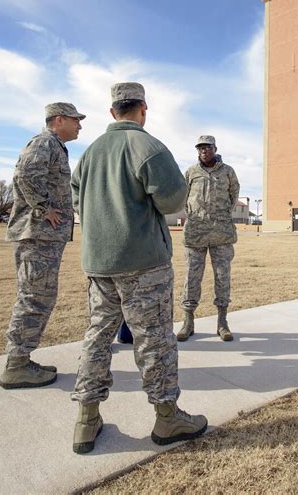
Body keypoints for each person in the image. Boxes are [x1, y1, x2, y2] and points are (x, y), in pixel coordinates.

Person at [70, 82, 207, 454]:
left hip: (99, 264)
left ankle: (86, 419)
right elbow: (172, 200)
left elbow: (76, 199)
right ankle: (167, 417)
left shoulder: (90, 152)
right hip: (144, 263)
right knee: (155, 340)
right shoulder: (147, 146)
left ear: (113, 111)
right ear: (143, 109)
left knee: (97, 337)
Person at [0, 102, 86, 389]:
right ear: (59, 119)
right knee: (34, 298)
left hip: (44, 236)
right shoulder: (43, 142)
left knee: (39, 296)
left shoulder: (55, 145)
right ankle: (17, 365)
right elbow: (25, 174)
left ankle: (21, 360)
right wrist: (43, 208)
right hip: (37, 234)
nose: (79, 126)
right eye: (75, 120)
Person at [177, 135, 240, 343]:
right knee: (191, 278)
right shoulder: (190, 172)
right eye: (201, 148)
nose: (204, 150)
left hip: (221, 234)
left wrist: (220, 215)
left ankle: (222, 322)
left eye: (208, 147)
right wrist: (196, 216)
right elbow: (183, 197)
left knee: (222, 277)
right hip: (195, 234)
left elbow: (234, 194)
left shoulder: (228, 171)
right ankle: (188, 321)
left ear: (215, 148)